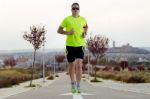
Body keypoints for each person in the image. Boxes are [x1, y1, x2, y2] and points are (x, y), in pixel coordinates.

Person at [57, 2, 88, 93]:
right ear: (71, 10)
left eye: (77, 8)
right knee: (71, 66)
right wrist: (68, 33)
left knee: (79, 65)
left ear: (79, 10)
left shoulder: (83, 19)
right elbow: (59, 30)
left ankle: (78, 85)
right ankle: (72, 83)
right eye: (73, 8)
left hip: (80, 45)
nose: (75, 10)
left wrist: (85, 33)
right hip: (70, 45)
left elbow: (86, 27)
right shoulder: (67, 19)